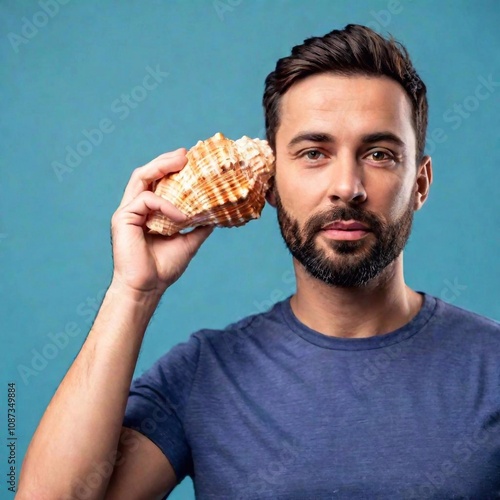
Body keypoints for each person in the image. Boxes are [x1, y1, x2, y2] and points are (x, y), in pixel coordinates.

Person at [18, 24, 500, 499]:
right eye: (314, 153)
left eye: (378, 154)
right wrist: (133, 292)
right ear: (269, 182)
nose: (347, 186)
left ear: (420, 183)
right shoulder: (206, 374)